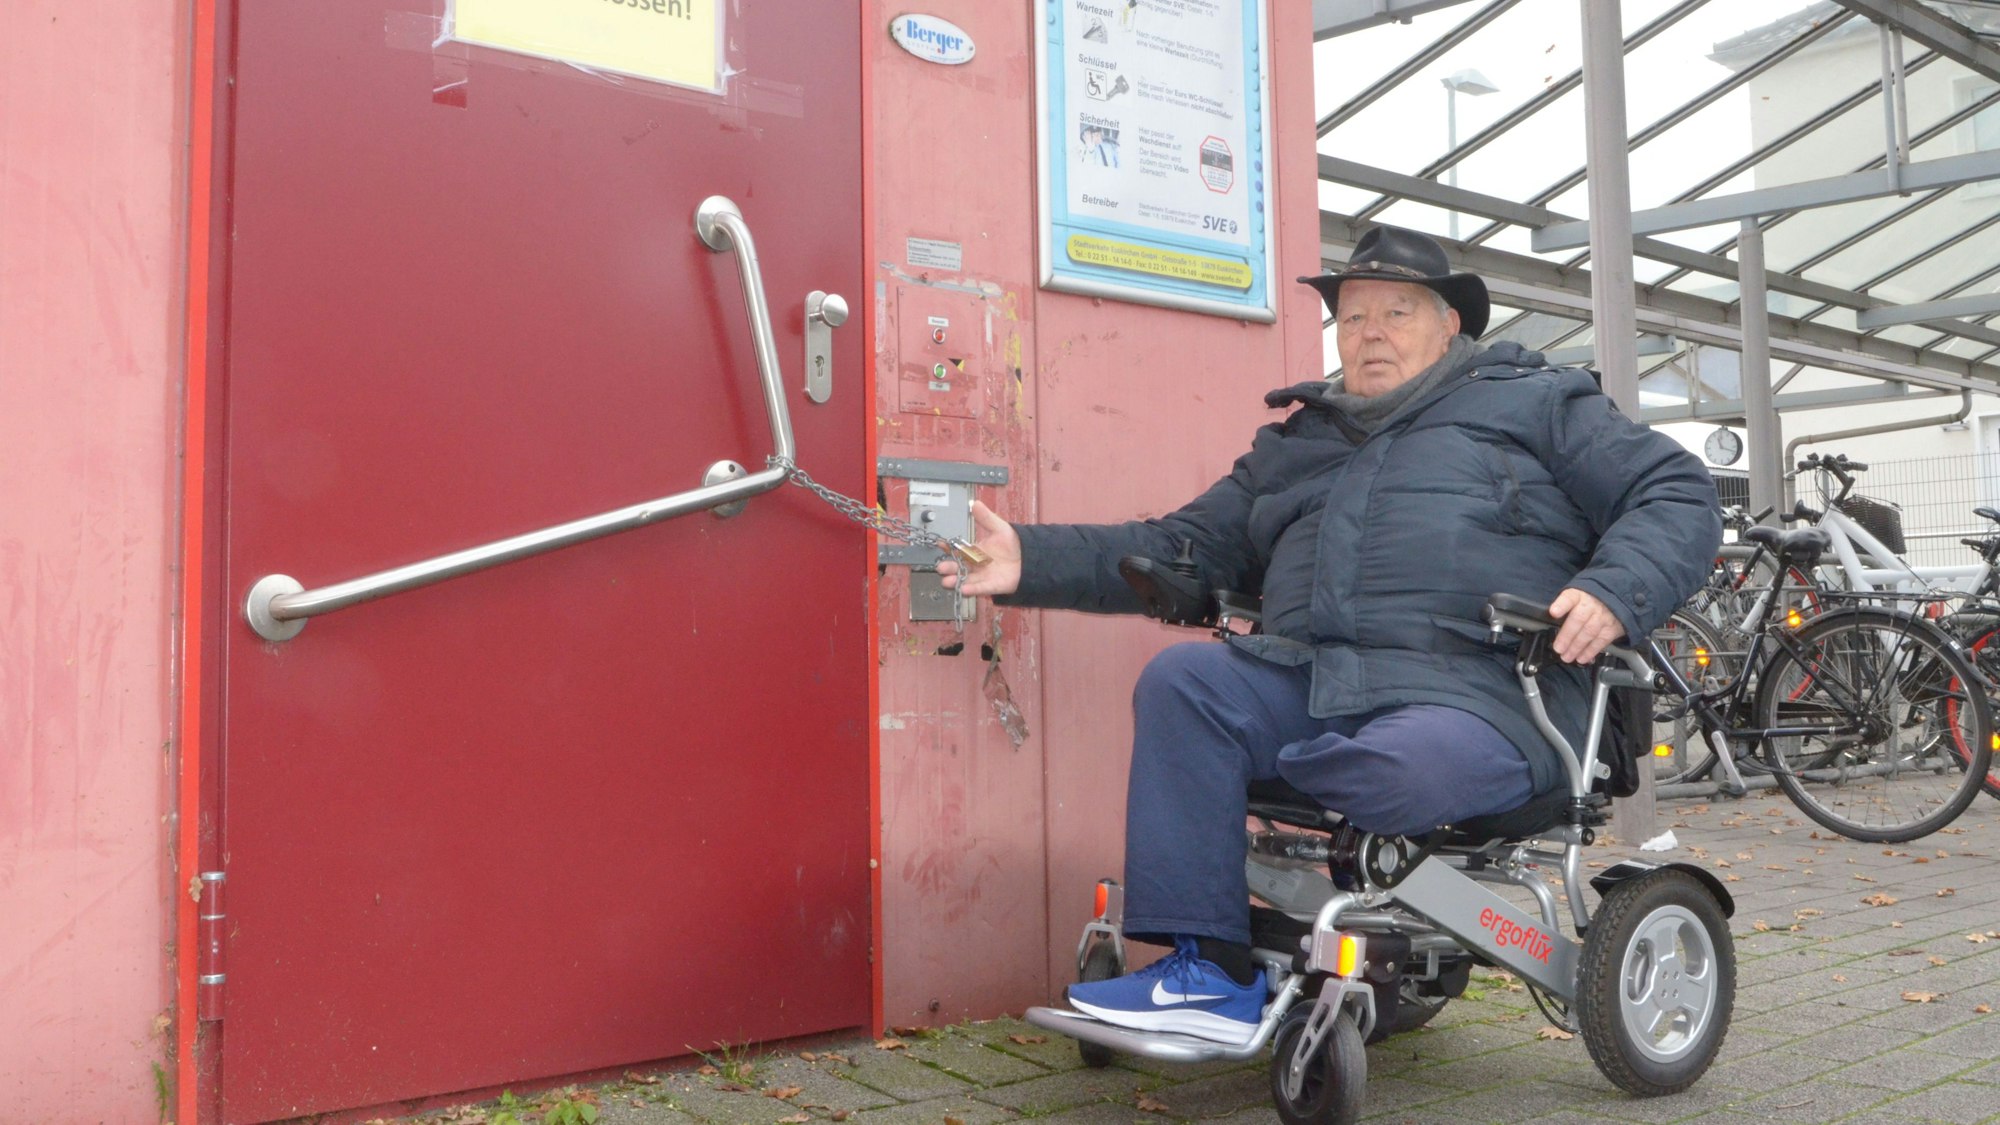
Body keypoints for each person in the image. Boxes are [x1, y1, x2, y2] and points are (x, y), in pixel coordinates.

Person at [938, 225, 1722, 1044]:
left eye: (1396, 312)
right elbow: (1181, 547)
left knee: (1399, 761)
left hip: (1484, 693)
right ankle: (1207, 972)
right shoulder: (1301, 442)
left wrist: (1609, 590)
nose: (1369, 332)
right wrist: (1029, 558)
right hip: (1316, 685)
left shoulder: (1538, 403)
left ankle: (1354, 776)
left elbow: (1676, 491)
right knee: (1185, 683)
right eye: (1352, 318)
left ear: (1449, 324)